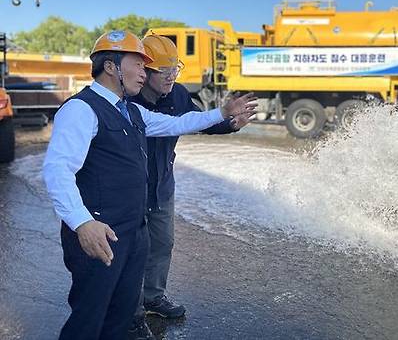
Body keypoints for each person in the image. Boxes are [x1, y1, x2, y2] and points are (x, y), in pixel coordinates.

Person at [41, 30, 256, 340]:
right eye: (138, 64)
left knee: (121, 317)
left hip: (134, 232)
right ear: (112, 66)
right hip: (100, 233)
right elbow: (57, 169)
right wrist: (82, 222)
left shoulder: (132, 110)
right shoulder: (81, 109)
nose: (144, 72)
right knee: (89, 319)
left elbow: (179, 123)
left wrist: (222, 113)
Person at [128, 34, 255, 339]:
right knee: (132, 250)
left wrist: (230, 124)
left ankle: (153, 297)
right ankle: (130, 313)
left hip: (162, 186)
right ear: (144, 71)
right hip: (130, 190)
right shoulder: (125, 100)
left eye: (175, 68)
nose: (172, 76)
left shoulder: (179, 95)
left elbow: (201, 120)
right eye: (164, 70)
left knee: (162, 244)